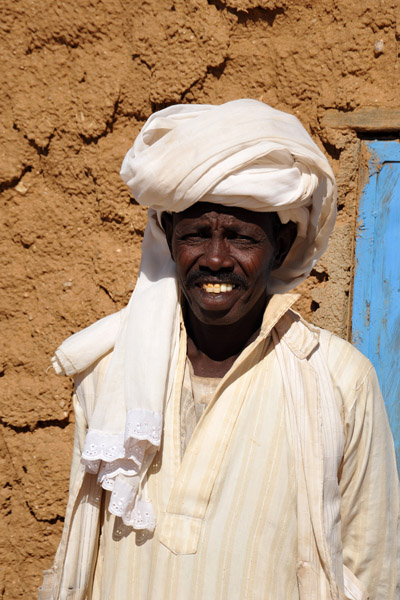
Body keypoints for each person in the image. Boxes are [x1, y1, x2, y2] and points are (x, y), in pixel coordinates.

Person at [39, 100, 399, 600]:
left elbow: (374, 568)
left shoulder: (339, 379)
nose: (214, 258)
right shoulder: (110, 374)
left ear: (282, 240)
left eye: (240, 237)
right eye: (195, 235)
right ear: (168, 236)